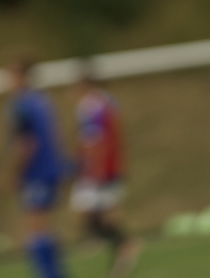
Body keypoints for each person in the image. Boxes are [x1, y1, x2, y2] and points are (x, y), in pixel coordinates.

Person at [70, 67, 141, 276]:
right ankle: (120, 248)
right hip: (107, 166)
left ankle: (124, 245)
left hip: (99, 168)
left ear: (85, 85)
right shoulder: (108, 102)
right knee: (101, 213)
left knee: (89, 209)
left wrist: (96, 166)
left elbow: (96, 138)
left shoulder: (91, 105)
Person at [4, 59, 67, 278]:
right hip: (50, 170)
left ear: (21, 76)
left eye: (9, 75)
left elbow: (27, 143)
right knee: (44, 227)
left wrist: (14, 174)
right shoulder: (43, 100)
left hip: (36, 173)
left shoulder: (21, 104)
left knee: (35, 229)